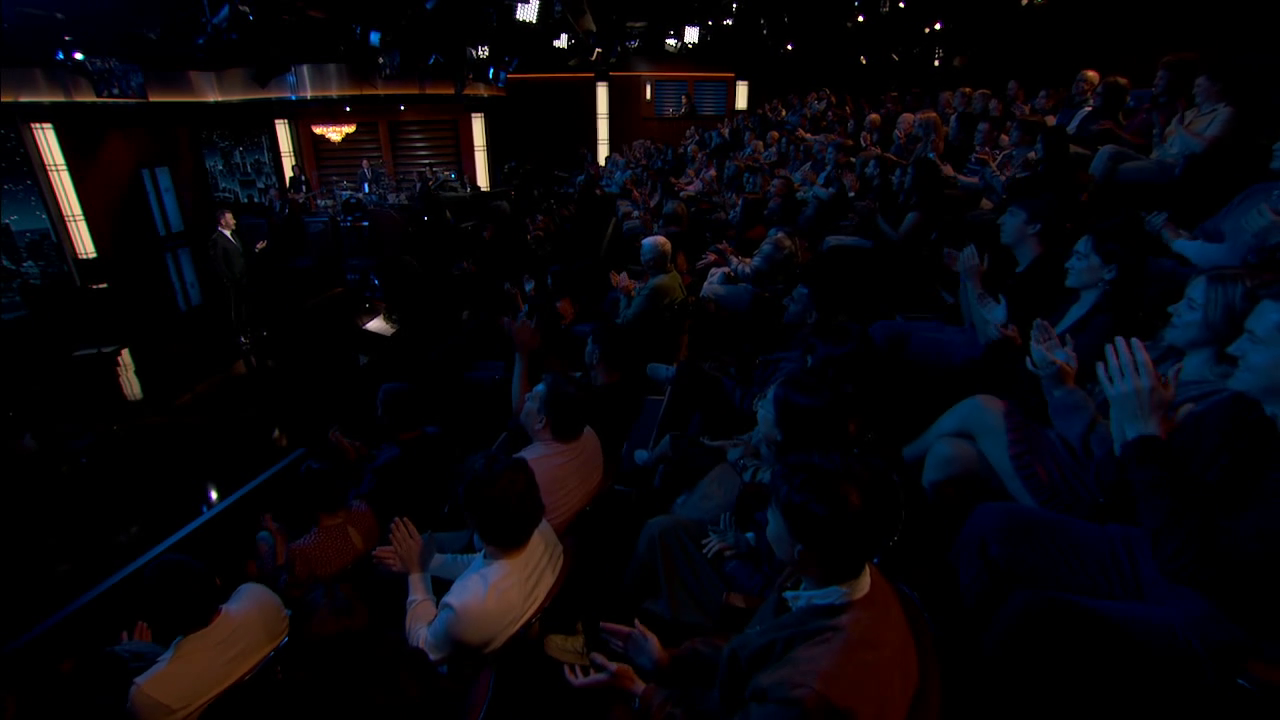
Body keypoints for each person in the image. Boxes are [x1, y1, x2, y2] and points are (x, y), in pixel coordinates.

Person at [950, 281, 1280, 718]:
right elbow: (1117, 492)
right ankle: (937, 656)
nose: (1236, 347)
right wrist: (1135, 430)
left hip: (1228, 611)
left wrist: (1144, 439)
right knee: (993, 525)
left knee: (1032, 617)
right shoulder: (1239, 412)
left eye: (1254, 339)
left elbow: (1192, 561)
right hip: (1161, 553)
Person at [564, 456, 920, 720]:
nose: (765, 519)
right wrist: (669, 661)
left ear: (801, 548)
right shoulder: (833, 569)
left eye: (773, 514)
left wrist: (642, 694)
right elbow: (755, 642)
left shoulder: (805, 693)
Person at [374, 453, 564, 662]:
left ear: (473, 523)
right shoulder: (539, 528)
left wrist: (417, 574)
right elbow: (481, 564)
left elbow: (424, 647)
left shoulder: (467, 607)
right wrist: (426, 562)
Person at [128, 555, 289, 720]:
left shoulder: (147, 696)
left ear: (161, 622)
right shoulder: (261, 598)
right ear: (216, 581)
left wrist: (144, 659)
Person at [510, 362, 606, 534]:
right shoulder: (589, 434)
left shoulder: (521, 472)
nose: (525, 397)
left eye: (531, 398)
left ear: (541, 421)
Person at [208, 209, 266, 344]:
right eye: (231, 219)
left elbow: (241, 257)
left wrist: (256, 250)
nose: (234, 221)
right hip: (233, 283)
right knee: (238, 311)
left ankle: (252, 332)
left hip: (244, 279)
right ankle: (242, 336)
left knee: (249, 307)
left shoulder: (233, 235)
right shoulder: (216, 241)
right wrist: (231, 280)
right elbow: (219, 265)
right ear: (223, 222)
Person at [615, 236, 687, 328]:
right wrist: (634, 289)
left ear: (651, 262)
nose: (641, 259)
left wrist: (624, 294)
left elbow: (625, 321)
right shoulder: (674, 275)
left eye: (642, 255)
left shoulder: (655, 287)